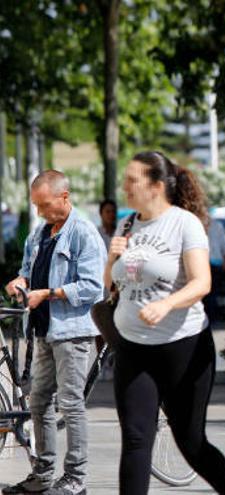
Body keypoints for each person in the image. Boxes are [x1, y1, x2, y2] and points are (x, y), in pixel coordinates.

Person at [105, 151, 225, 495]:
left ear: (157, 186)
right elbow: (111, 284)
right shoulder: (127, 223)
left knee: (192, 443)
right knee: (136, 439)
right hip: (134, 348)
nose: (125, 186)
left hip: (182, 346)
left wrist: (166, 304)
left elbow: (201, 283)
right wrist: (112, 257)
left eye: (132, 180)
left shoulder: (184, 223)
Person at [3, 171, 106, 495]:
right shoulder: (40, 233)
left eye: (45, 205)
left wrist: (48, 294)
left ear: (65, 196)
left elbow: (94, 286)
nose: (40, 212)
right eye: (36, 206)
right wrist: (20, 283)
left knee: (71, 404)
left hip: (72, 331)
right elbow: (26, 272)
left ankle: (76, 478)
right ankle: (43, 474)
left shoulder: (83, 233)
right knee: (40, 403)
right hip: (43, 329)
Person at [205, 218, 225, 324]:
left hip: (201, 262)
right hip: (216, 263)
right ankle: (213, 317)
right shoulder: (217, 225)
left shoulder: (192, 222)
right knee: (213, 292)